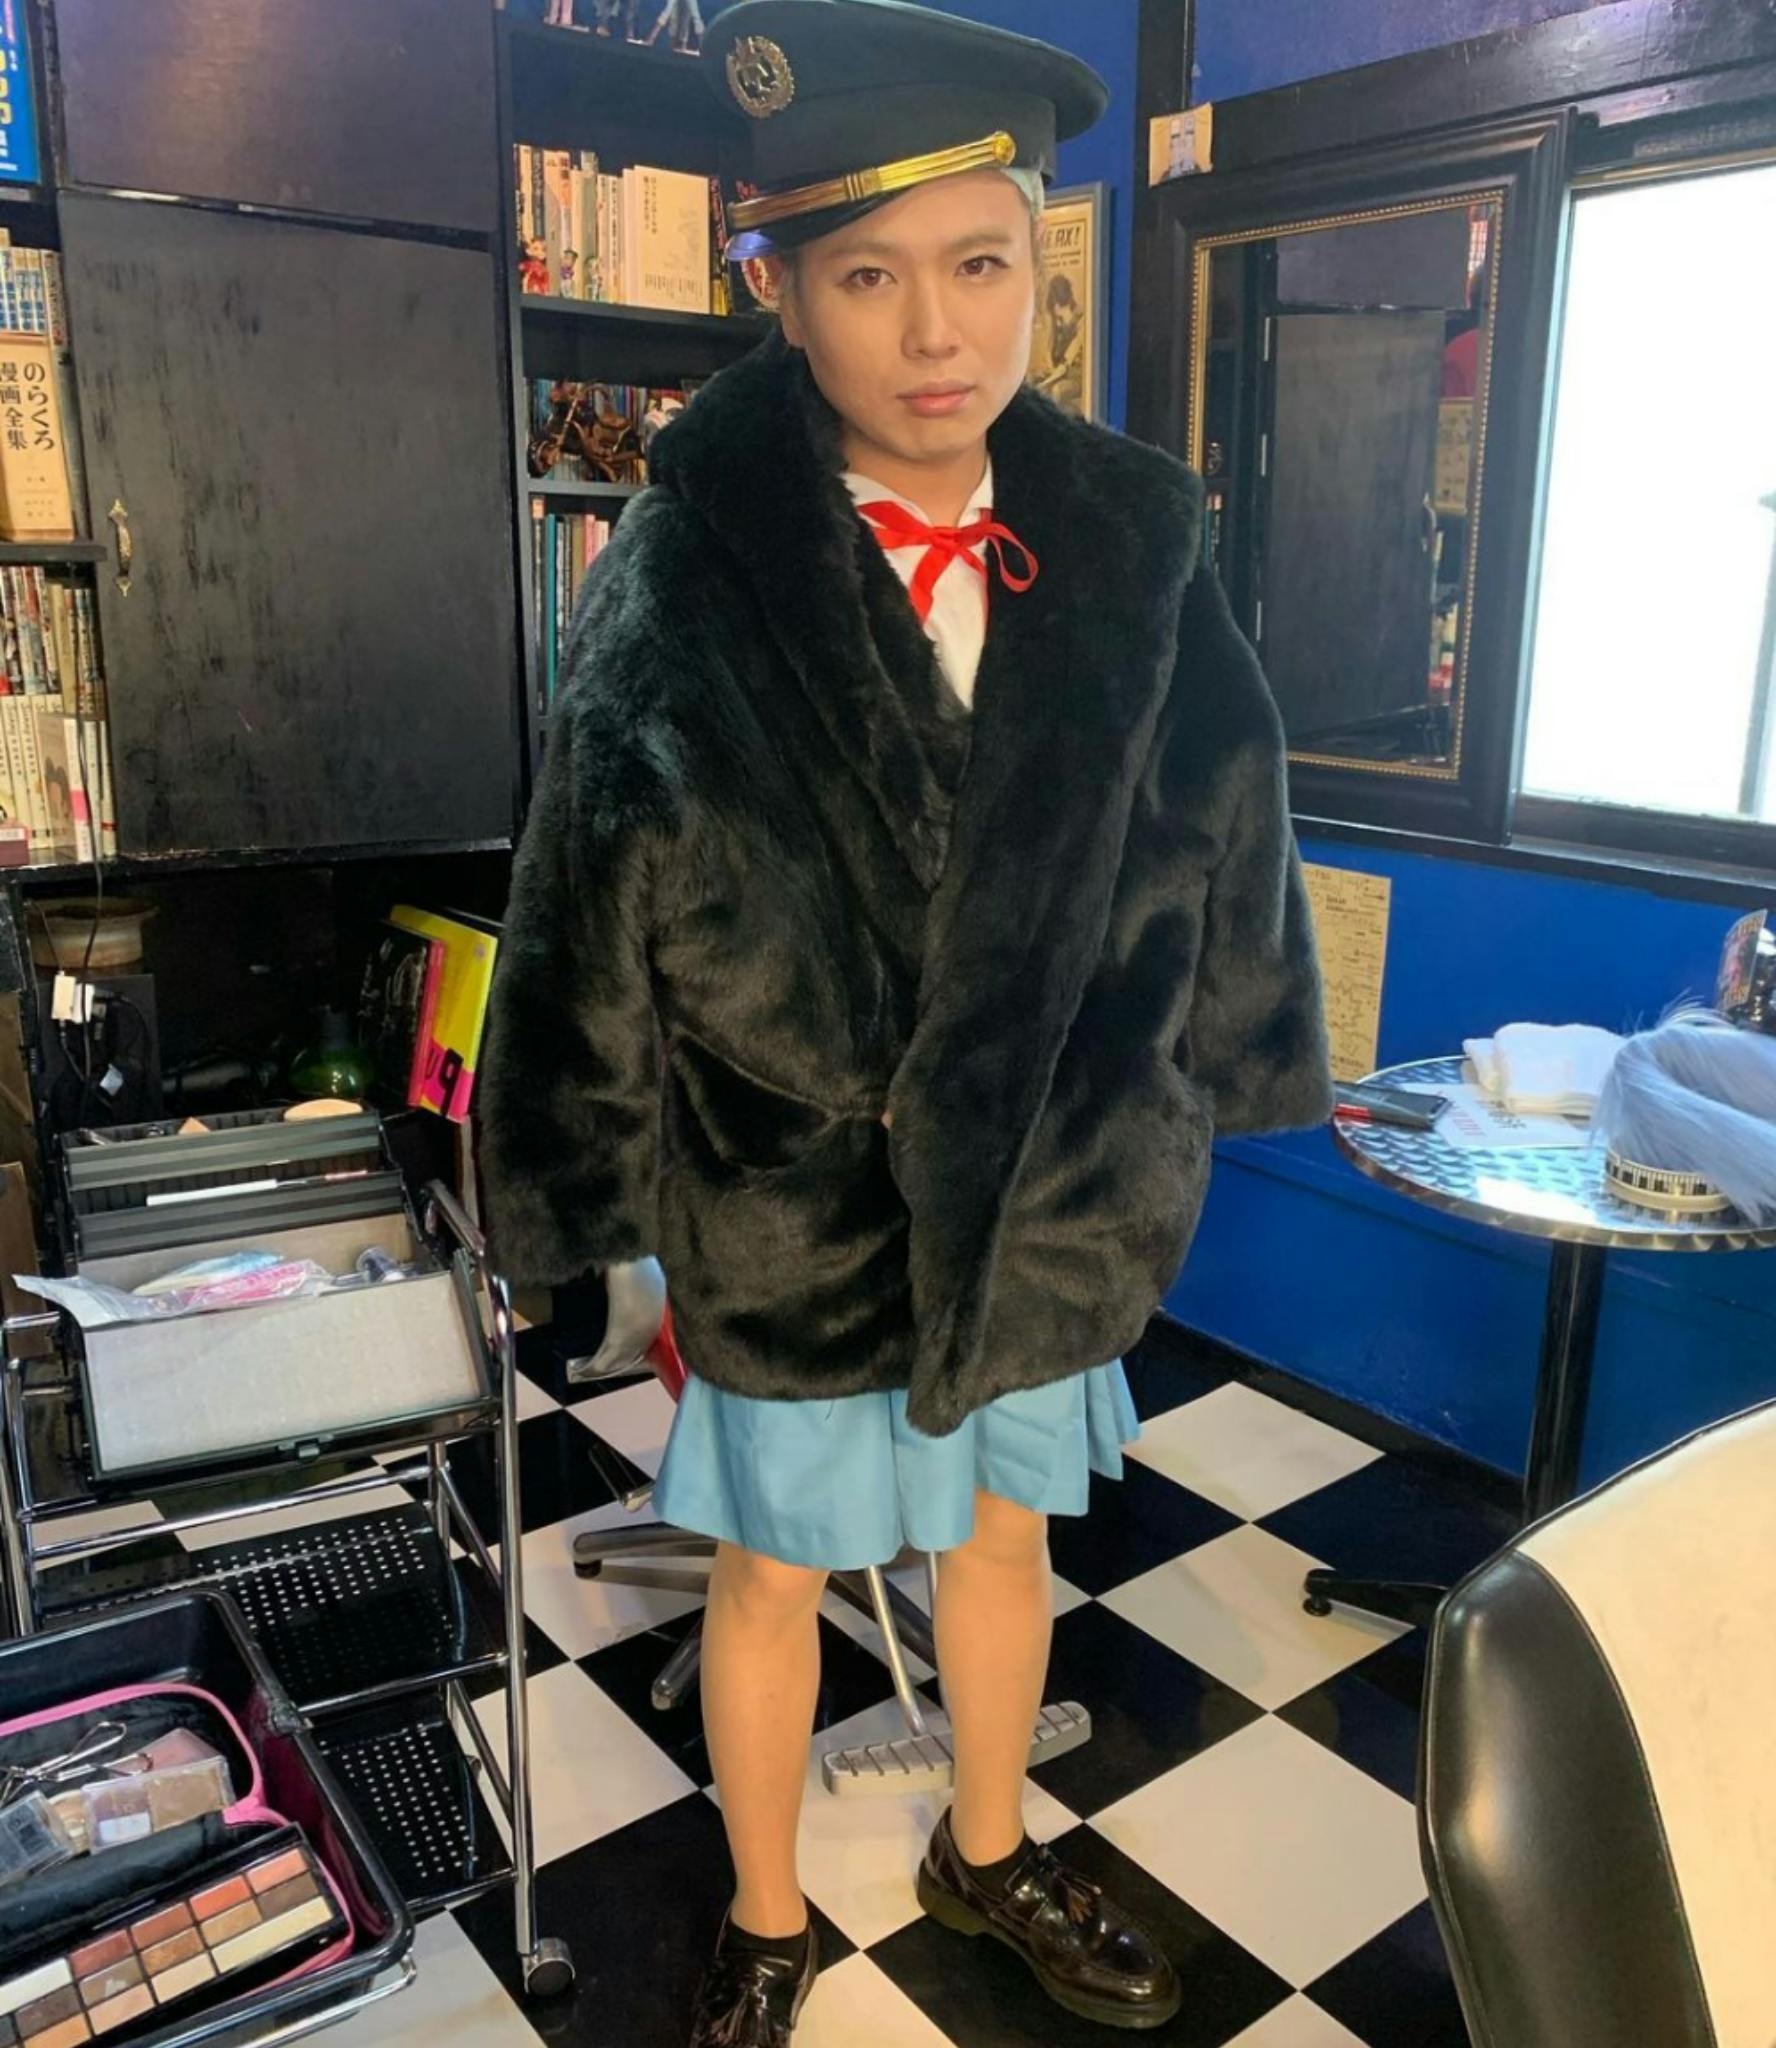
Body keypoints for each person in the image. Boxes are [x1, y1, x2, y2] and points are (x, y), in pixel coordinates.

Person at [476, 4, 1334, 2042]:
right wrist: (573, 1187)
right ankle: (768, 1912)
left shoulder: (1132, 530)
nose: (937, 332)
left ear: (1040, 266)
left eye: (980, 264)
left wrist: (1230, 1045)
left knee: (1009, 1540)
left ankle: (988, 1843)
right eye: (867, 276)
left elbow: (1233, 792)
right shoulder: (691, 561)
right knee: (772, 1571)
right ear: (778, 292)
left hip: (1046, 1163)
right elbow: (584, 874)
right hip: (797, 1194)